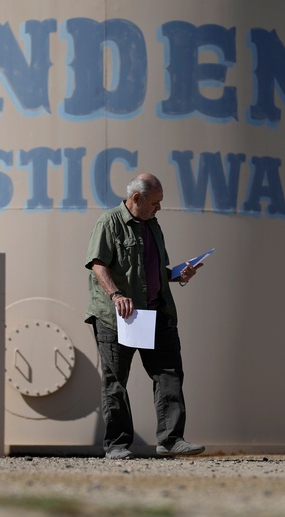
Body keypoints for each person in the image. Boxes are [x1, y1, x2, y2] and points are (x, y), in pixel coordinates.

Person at [84, 173, 205, 459]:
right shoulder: (109, 222)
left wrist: (178, 274)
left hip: (156, 313)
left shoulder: (152, 226)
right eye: (155, 202)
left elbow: (151, 271)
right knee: (115, 382)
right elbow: (98, 265)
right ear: (136, 198)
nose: (159, 208)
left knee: (169, 375)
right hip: (118, 318)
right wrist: (116, 296)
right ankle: (117, 445)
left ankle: (171, 440)